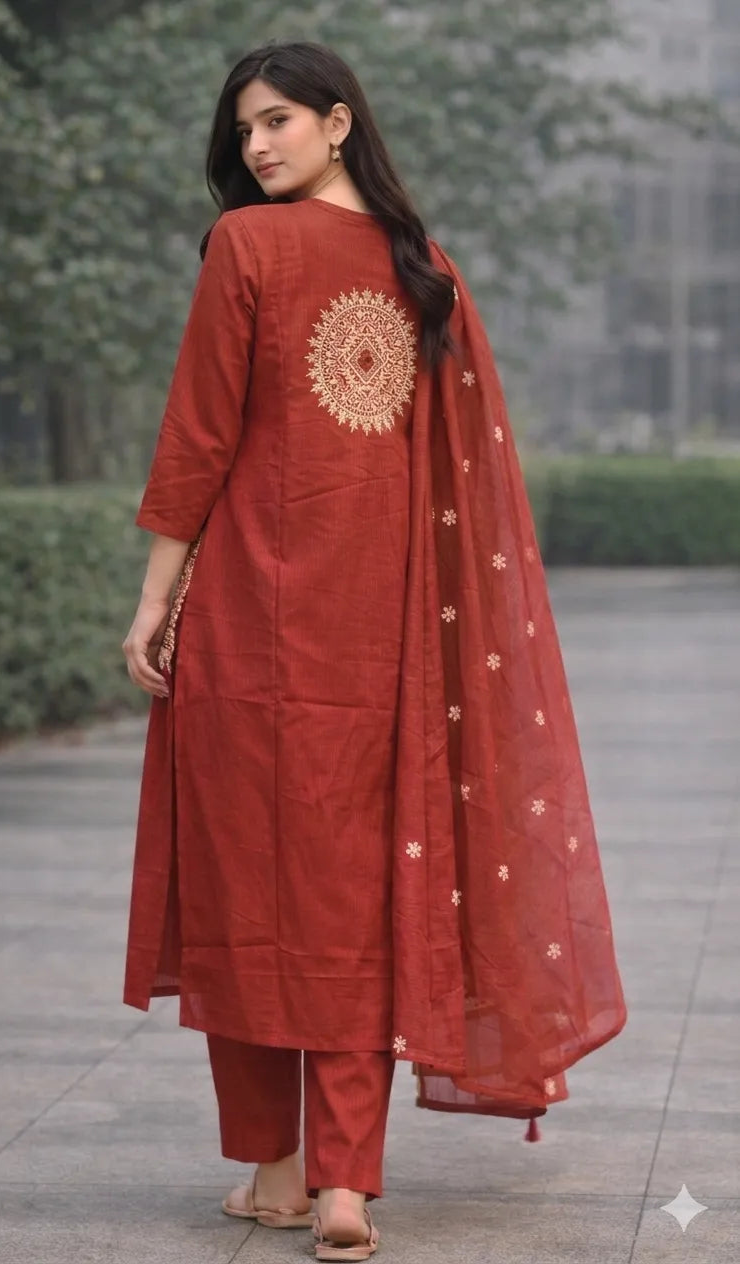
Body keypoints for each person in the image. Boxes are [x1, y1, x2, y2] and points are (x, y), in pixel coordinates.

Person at [121, 41, 627, 1262]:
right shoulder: (425, 268)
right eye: (242, 128)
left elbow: (198, 437)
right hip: (382, 642)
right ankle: (348, 1185)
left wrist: (150, 604)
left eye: (277, 121)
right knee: (354, 893)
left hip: (247, 624)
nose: (255, 146)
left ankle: (280, 1174)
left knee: (246, 885)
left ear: (337, 123)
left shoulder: (244, 247)